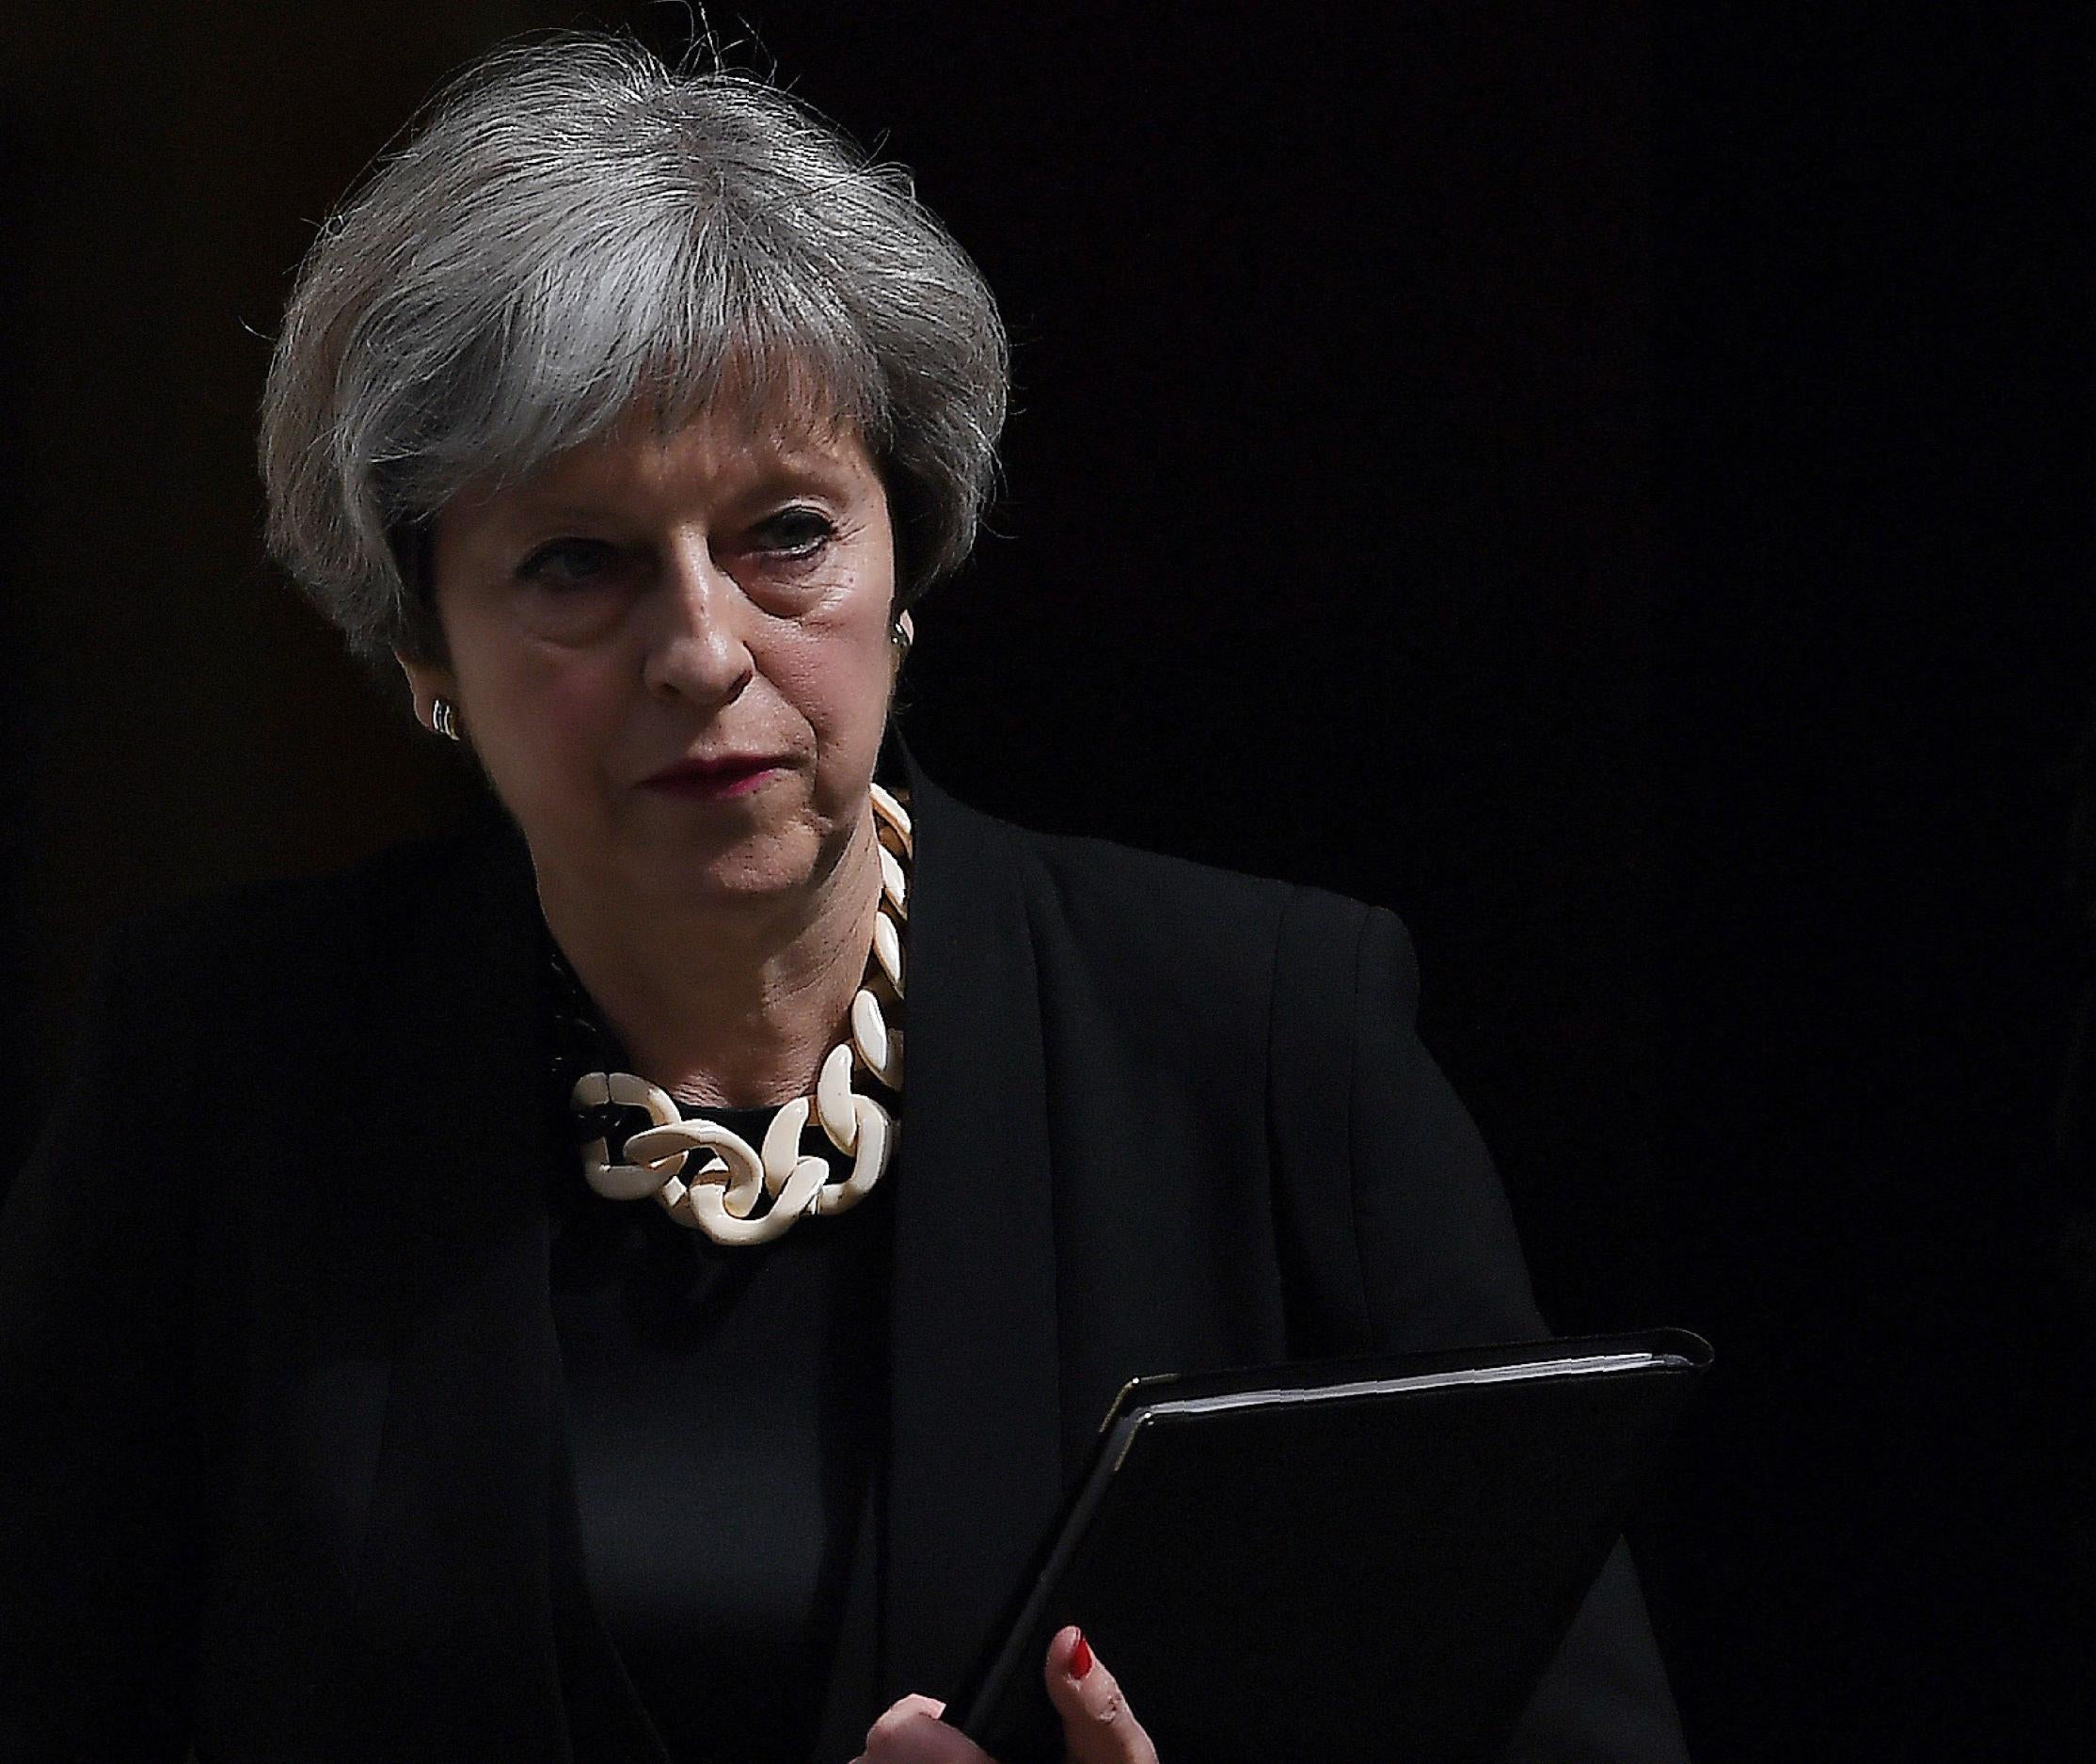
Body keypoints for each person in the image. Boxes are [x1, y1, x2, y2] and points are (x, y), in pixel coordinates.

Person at [0, 33, 1687, 1764]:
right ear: (425, 644)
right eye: (575, 564)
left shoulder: (1260, 1037)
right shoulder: (219, 1074)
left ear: (908, 559)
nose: (703, 650)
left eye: (786, 532)